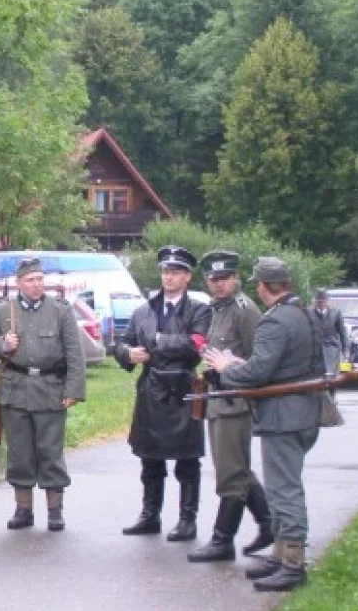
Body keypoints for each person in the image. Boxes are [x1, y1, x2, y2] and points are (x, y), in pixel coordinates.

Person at [205, 257, 322, 592]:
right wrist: (246, 363)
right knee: (282, 486)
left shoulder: (275, 321)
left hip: (283, 417)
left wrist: (228, 368)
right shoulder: (304, 313)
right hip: (301, 413)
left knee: (284, 490)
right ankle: (281, 555)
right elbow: (279, 365)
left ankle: (293, 563)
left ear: (263, 286)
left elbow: (259, 373)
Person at [0, 257, 86, 531]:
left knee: (50, 451)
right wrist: (3, 343)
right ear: (19, 283)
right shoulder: (3, 311)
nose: (36, 285)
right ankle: (23, 509)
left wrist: (74, 389)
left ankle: (54, 511)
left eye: (40, 279)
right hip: (15, 390)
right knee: (19, 453)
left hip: (50, 389)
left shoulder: (60, 311)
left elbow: (75, 354)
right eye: (30, 280)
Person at [115, 245, 212, 541]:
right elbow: (121, 343)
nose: (168, 277)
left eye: (175, 272)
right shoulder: (144, 311)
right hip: (151, 389)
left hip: (183, 389)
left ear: (187, 276)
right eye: (165, 272)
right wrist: (127, 353)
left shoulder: (199, 310)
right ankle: (150, 514)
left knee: (187, 460)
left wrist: (158, 340)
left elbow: (195, 345)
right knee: (150, 458)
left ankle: (187, 519)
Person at [187, 251, 273, 564]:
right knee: (233, 468)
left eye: (224, 278)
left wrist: (231, 370)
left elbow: (260, 359)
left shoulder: (244, 311)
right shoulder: (216, 309)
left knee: (231, 472)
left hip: (235, 400)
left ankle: (223, 539)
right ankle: (268, 523)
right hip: (217, 398)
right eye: (213, 279)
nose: (219, 284)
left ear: (236, 278)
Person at [310, 288, 347, 378]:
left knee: (332, 374)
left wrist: (346, 348)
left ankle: (332, 389)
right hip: (315, 349)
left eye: (323, 301)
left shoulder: (336, 312)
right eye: (319, 302)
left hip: (331, 347)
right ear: (315, 301)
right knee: (316, 375)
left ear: (327, 301)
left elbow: (342, 331)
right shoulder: (308, 312)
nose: (321, 304)